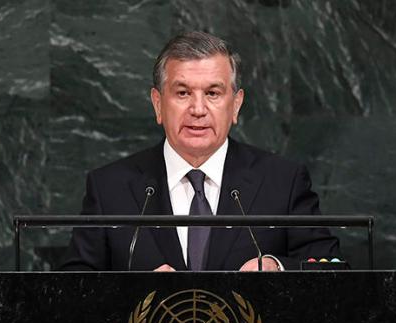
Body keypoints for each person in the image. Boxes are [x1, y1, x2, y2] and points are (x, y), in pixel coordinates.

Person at [59, 31, 343, 271]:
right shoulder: (110, 187)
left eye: (213, 93)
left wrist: (277, 268)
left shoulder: (283, 182)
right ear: (158, 104)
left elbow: (332, 270)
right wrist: (130, 293)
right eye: (182, 93)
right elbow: (71, 289)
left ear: (236, 105)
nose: (197, 110)